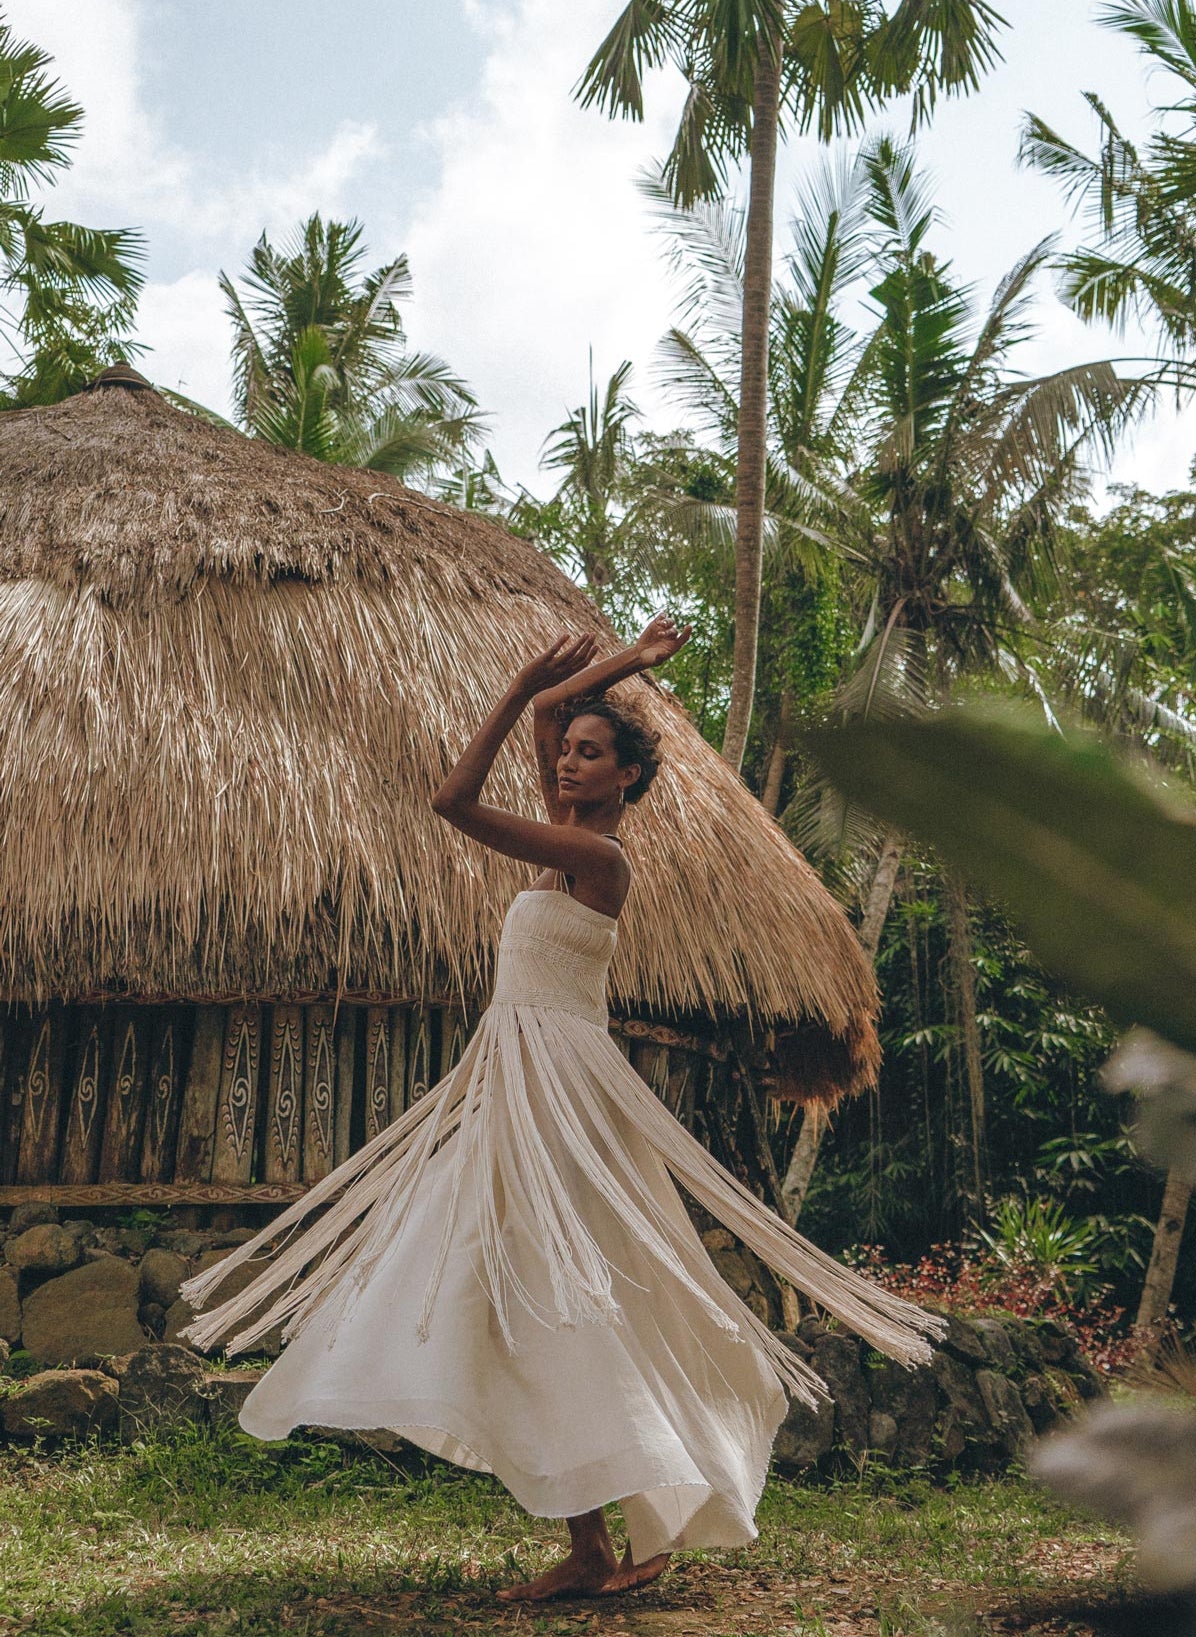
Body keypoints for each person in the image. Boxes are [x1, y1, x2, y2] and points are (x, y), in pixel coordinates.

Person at [177, 614, 943, 1603]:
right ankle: (590, 1541)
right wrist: (612, 669)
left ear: (626, 778)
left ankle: (616, 1521)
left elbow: (455, 797)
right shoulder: (563, 841)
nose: (569, 761)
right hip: (514, 1077)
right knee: (521, 1290)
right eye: (567, 754)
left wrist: (527, 687)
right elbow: (548, 711)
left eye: (591, 754)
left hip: (563, 1090)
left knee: (568, 1291)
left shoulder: (601, 864)